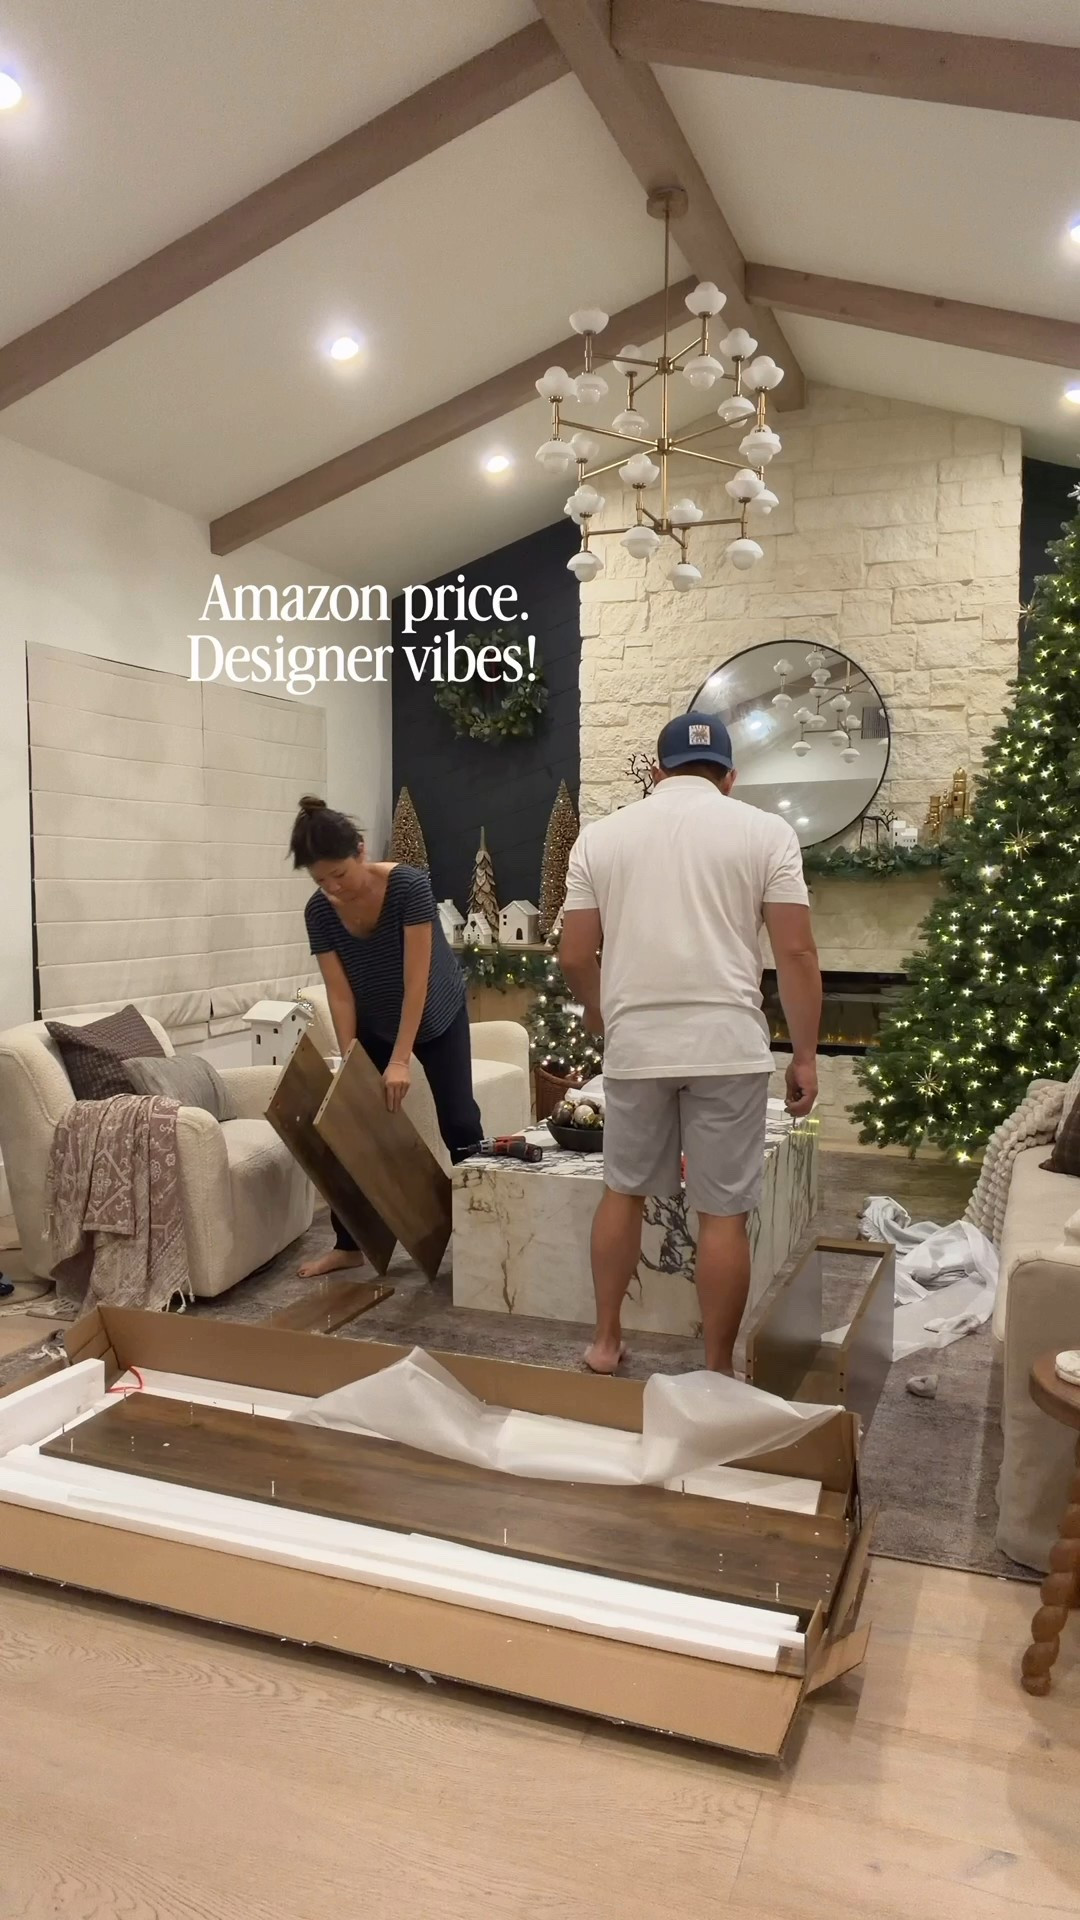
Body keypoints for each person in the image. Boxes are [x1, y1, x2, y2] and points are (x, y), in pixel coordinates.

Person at [559, 711, 822, 1376]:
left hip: (637, 1044)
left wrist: (598, 1013)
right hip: (727, 1043)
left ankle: (606, 1341)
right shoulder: (767, 832)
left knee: (622, 1191)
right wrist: (805, 1055)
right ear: (730, 778)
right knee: (722, 1214)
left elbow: (572, 955)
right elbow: (795, 952)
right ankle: (714, 1368)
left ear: (656, 772)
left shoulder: (603, 837)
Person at [288, 796, 483, 1278]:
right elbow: (341, 994)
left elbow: (416, 981)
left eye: (339, 874)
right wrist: (352, 1061)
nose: (333, 889)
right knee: (347, 1120)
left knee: (459, 1119)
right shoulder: (319, 912)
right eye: (320, 881)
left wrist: (400, 1061)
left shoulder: (408, 887)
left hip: (435, 1011)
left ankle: (486, 1233)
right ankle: (349, 1244)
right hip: (373, 1019)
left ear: (360, 850)